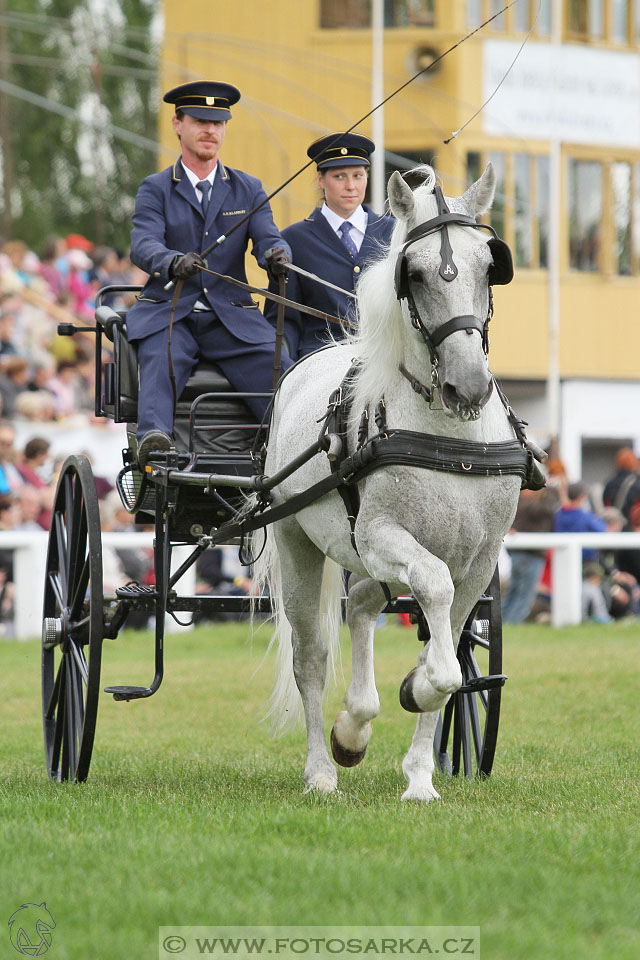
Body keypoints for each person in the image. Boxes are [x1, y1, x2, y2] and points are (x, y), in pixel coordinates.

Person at [125, 80, 293, 467]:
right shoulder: (156, 189)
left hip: (230, 317)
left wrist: (277, 254)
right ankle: (154, 441)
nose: (210, 131)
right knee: (161, 353)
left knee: (276, 361)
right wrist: (170, 261)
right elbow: (143, 244)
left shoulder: (247, 188)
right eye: (201, 121)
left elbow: (268, 237)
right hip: (172, 311)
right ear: (178, 125)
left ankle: (287, 448)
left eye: (218, 123)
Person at [266, 133, 395, 360]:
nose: (350, 186)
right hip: (320, 364)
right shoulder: (293, 240)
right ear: (321, 180)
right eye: (339, 177)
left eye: (358, 175)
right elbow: (284, 320)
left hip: (385, 360)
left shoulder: (393, 233)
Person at [602, 447, 640, 523]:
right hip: (633, 525)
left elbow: (606, 505)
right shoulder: (637, 482)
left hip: (615, 525)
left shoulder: (610, 483)